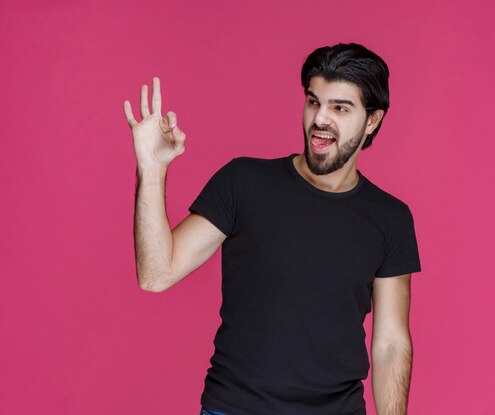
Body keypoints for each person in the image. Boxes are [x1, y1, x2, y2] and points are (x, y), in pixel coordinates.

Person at [124, 43, 421, 415]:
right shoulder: (244, 182)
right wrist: (151, 170)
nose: (320, 119)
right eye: (314, 102)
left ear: (372, 120)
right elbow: (155, 274)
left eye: (340, 108)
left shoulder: (390, 218)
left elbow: (392, 342)